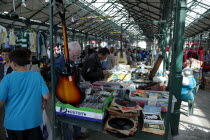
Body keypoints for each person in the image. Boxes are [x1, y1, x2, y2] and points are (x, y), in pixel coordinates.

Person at [0, 49, 50, 140]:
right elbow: (46, 96)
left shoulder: (7, 79)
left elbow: (0, 102)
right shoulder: (36, 76)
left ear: (13, 63)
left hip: (13, 123)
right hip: (34, 121)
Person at [55, 41, 88, 140]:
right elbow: (57, 83)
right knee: (66, 119)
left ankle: (77, 134)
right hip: (64, 95)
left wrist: (82, 81)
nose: (76, 58)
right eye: (74, 55)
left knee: (76, 114)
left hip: (74, 92)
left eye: (77, 56)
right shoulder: (58, 64)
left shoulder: (71, 60)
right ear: (67, 51)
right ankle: (68, 138)